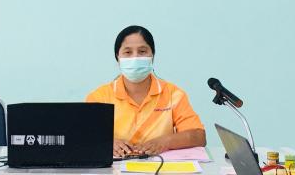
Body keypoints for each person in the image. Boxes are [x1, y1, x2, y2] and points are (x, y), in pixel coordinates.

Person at [86, 25, 206, 157]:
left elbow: (199, 136)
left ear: (152, 56)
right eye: (128, 52)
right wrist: (107, 142)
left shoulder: (173, 94)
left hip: (161, 166)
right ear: (118, 57)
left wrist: (165, 141)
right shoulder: (99, 97)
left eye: (142, 51)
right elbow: (83, 136)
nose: (135, 57)